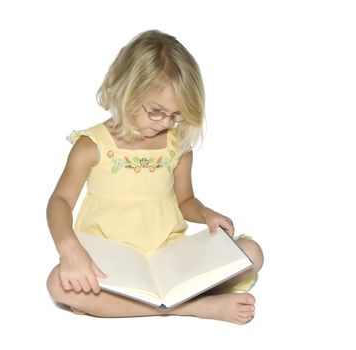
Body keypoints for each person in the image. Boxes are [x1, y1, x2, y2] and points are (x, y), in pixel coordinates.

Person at [46, 29, 264, 325]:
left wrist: (206, 214)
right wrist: (69, 249)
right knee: (58, 284)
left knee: (251, 253)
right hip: (111, 261)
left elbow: (185, 200)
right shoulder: (92, 146)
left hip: (168, 256)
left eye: (175, 115)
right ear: (125, 90)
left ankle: (127, 304)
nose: (166, 123)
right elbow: (59, 201)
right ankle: (194, 306)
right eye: (156, 111)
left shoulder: (177, 147)